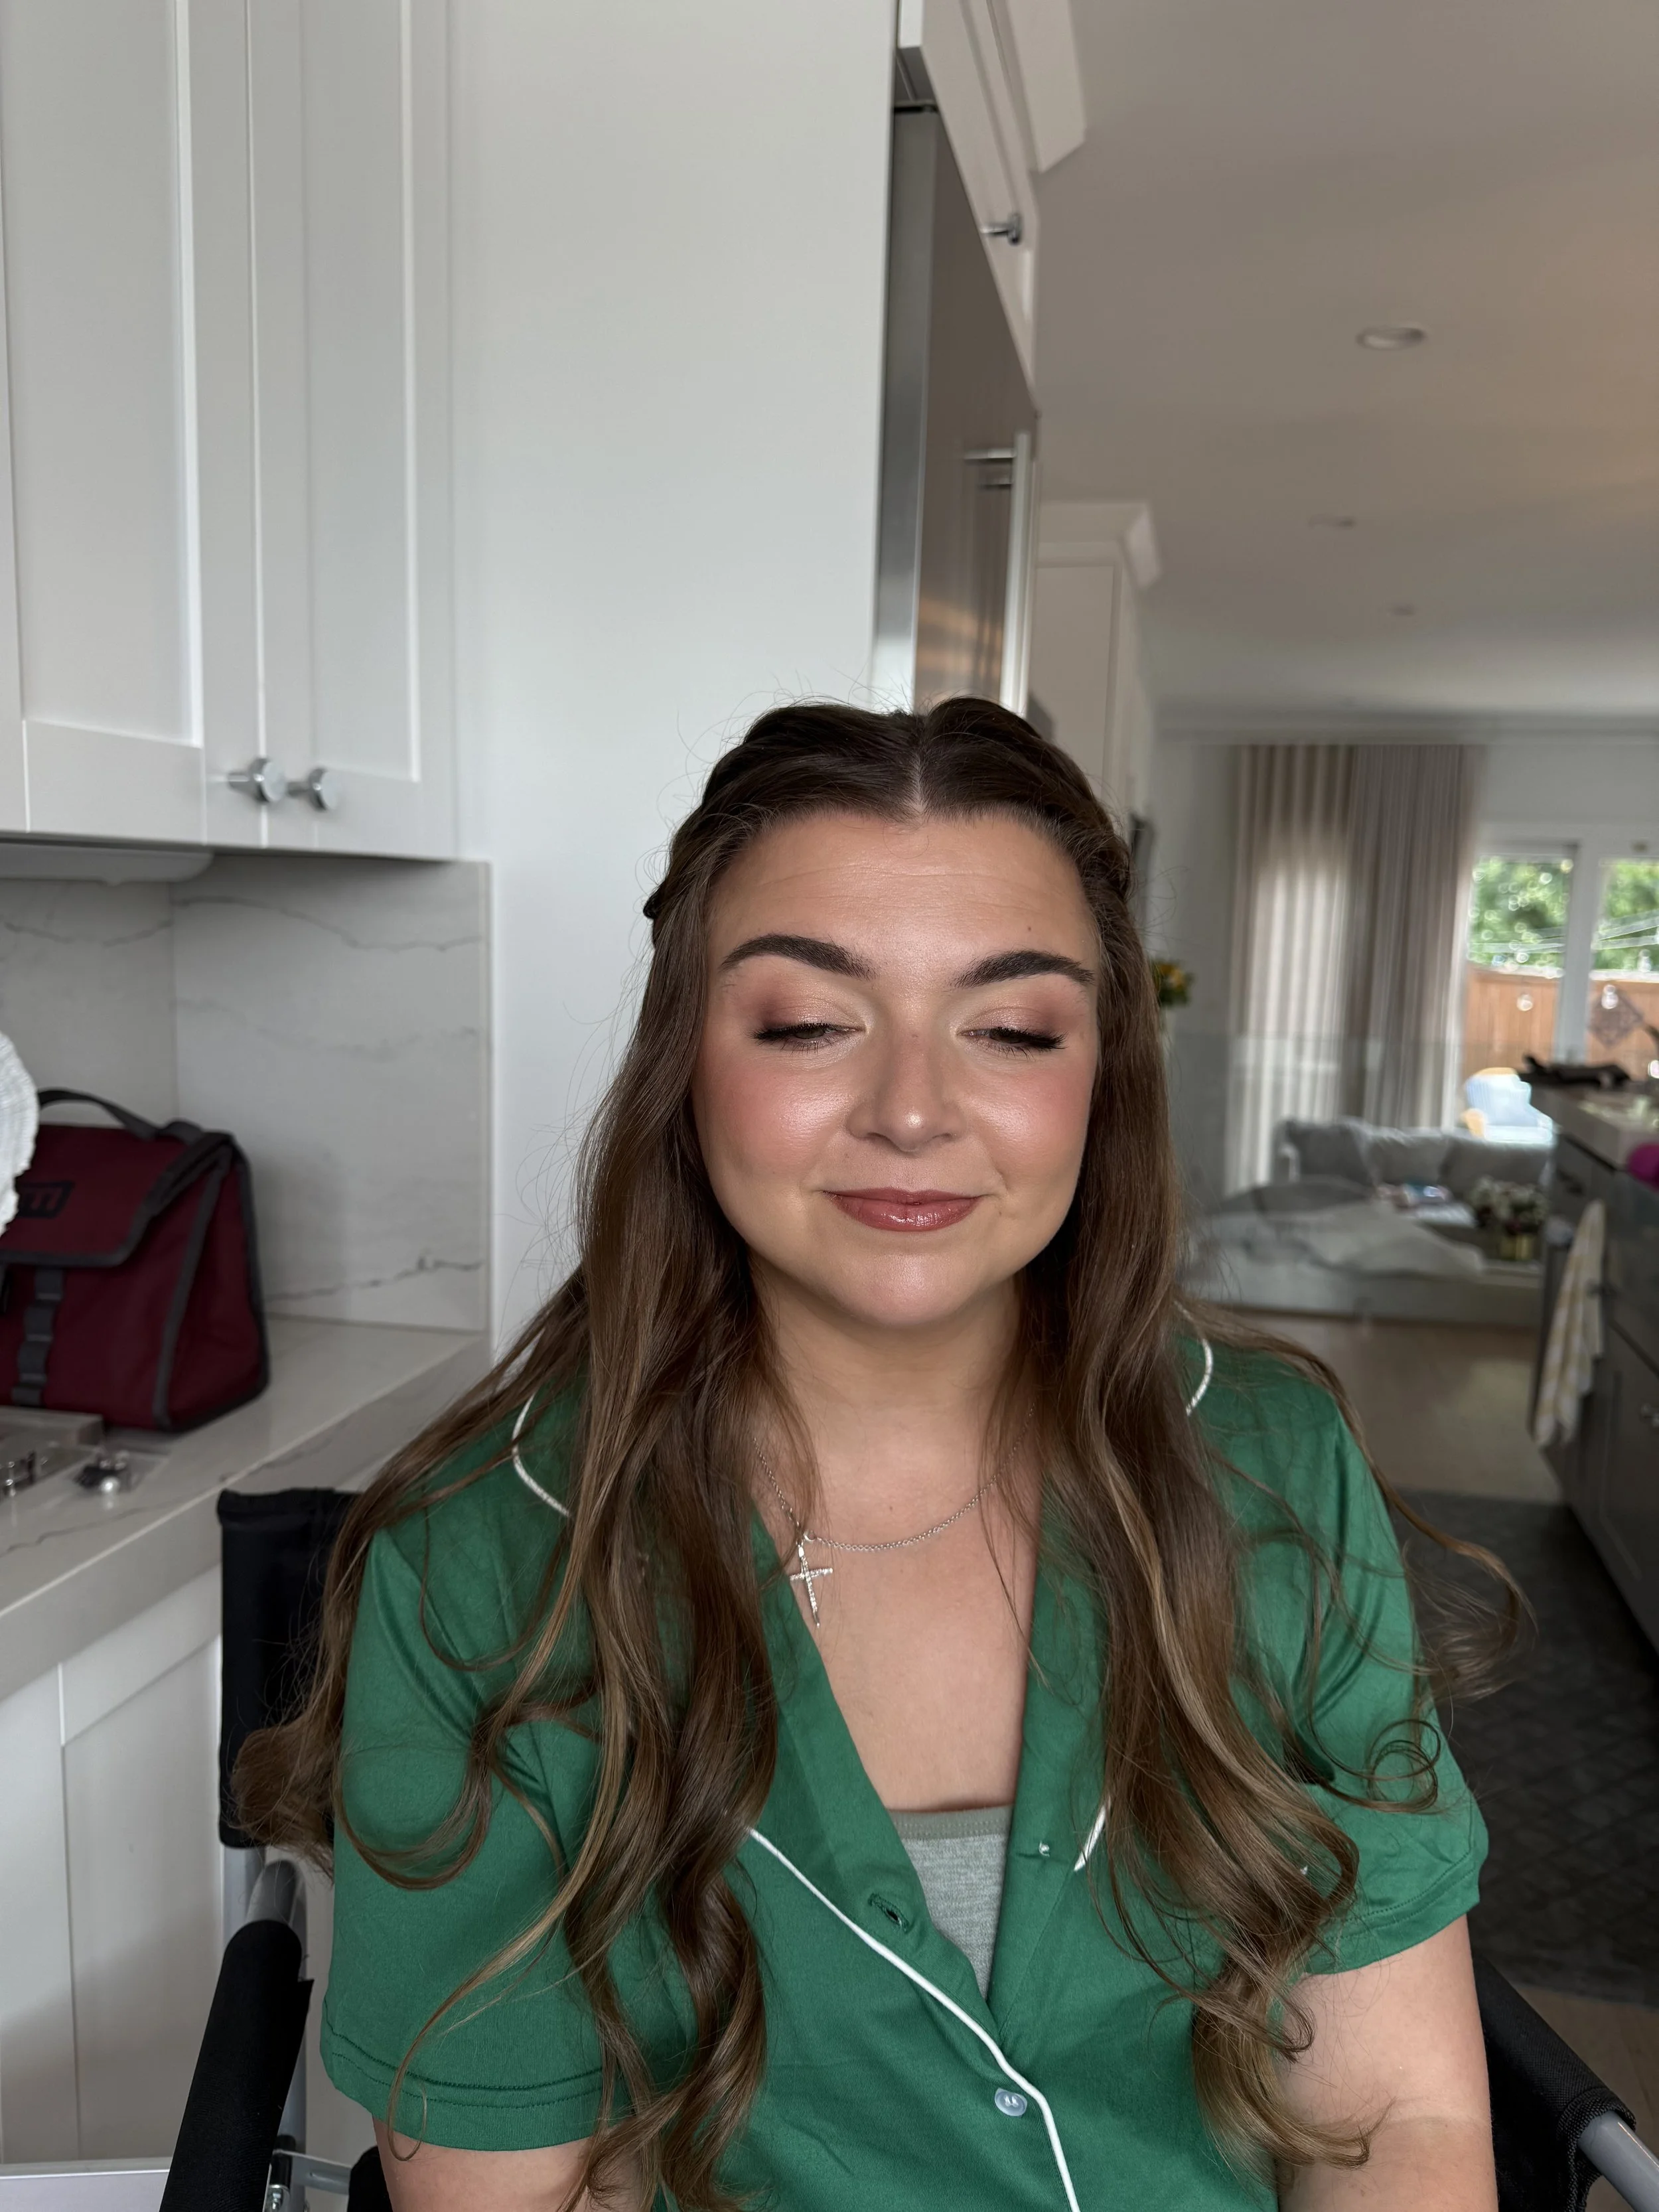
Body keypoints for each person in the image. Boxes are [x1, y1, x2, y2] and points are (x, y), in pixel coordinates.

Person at [240, 700, 1507, 2211]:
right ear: (686, 1062)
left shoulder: (1266, 1459)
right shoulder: (478, 1562)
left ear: (1099, 1080)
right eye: (806, 1022)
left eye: (1011, 1028)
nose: (910, 1109)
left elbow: (1400, 2118)